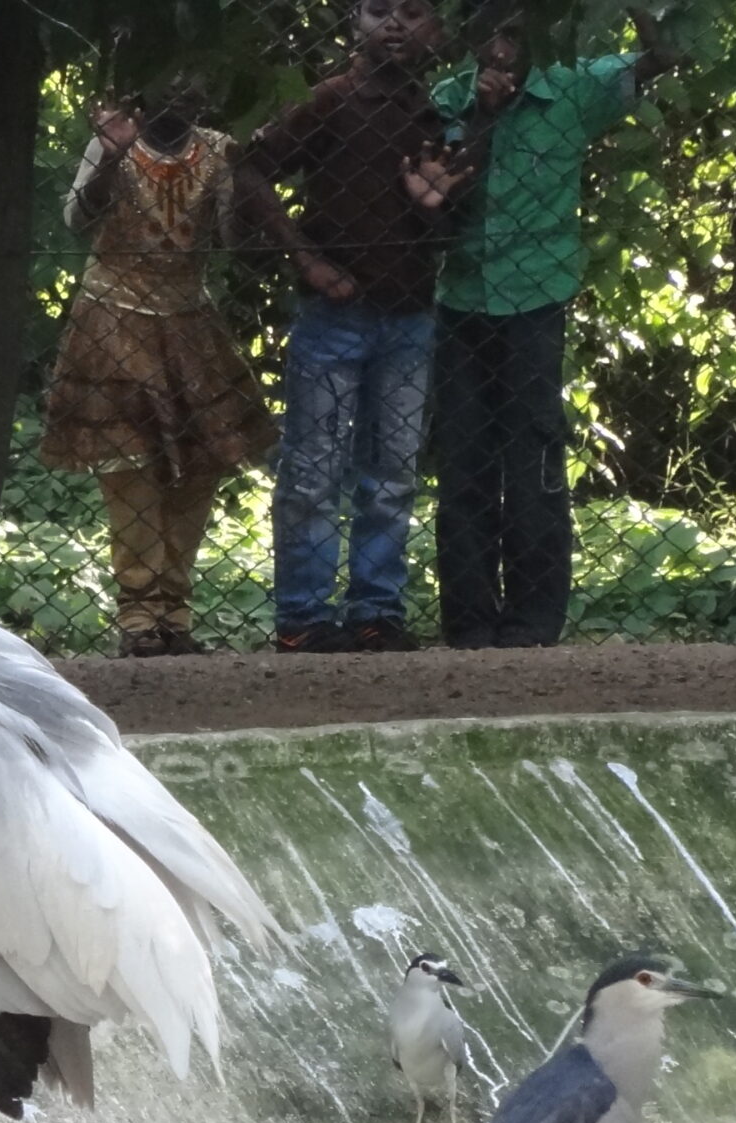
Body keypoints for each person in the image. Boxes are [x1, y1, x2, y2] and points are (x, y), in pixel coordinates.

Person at [430, 7, 676, 648]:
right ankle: (468, 623)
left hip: (537, 297)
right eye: (491, 37)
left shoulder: (574, 85)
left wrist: (640, 14)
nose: (501, 50)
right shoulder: (445, 99)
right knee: (462, 459)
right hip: (459, 295)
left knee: (533, 453)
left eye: (515, 36)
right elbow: (443, 190)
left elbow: (658, 59)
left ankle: (535, 623)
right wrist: (483, 114)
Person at [241, 0, 469, 655]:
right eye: (377, 11)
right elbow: (252, 168)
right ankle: (303, 617)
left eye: (413, 12)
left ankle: (376, 610)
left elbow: (453, 220)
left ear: (437, 31)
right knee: (313, 471)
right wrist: (305, 258)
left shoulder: (440, 114)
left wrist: (436, 207)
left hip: (409, 317)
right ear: (353, 27)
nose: (394, 25)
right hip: (333, 314)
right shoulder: (331, 101)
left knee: (393, 472)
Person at [40, 81, 275, 657]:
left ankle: (175, 609)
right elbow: (77, 217)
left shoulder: (219, 150)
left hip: (190, 317)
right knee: (129, 463)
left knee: (200, 463)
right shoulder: (113, 141)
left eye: (191, 81)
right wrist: (111, 155)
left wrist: (252, 180)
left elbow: (231, 240)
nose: (177, 92)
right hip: (112, 315)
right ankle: (138, 615)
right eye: (164, 81)